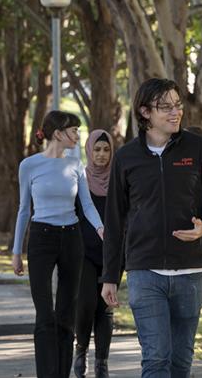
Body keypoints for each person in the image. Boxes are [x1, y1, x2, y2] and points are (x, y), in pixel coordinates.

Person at [101, 78, 202, 378]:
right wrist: (110, 276)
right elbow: (115, 220)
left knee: (179, 363)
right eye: (166, 107)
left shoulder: (198, 147)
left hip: (191, 271)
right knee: (157, 357)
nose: (176, 113)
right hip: (144, 271)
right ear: (145, 112)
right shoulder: (126, 158)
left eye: (177, 105)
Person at [11, 110, 104, 378]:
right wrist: (17, 251)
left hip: (71, 238)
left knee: (66, 314)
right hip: (41, 239)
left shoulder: (75, 166)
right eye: (74, 130)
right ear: (58, 133)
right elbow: (23, 210)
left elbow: (86, 204)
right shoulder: (29, 165)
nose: (77, 135)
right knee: (44, 315)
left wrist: (100, 227)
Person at [73, 130, 115, 378]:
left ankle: (102, 363)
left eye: (106, 149)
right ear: (89, 151)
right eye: (97, 149)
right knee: (86, 304)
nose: (101, 155)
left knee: (105, 308)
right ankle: (81, 351)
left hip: (111, 253)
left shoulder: (119, 181)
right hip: (84, 252)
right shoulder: (80, 179)